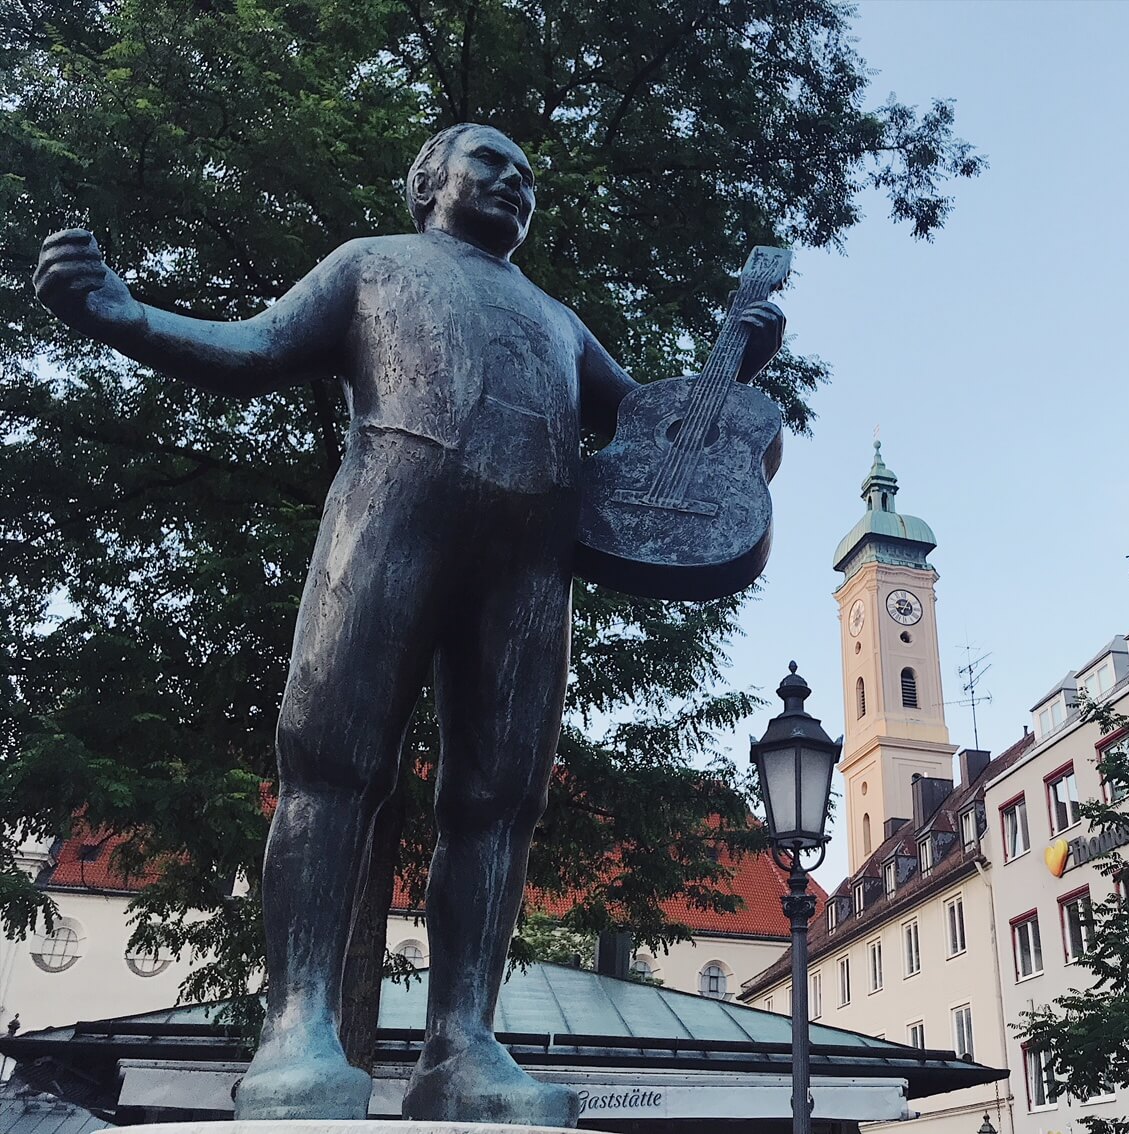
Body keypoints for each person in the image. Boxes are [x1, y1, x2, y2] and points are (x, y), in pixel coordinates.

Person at [32, 122, 784, 1126]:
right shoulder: (372, 266)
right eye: (492, 164)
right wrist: (118, 312)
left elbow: (653, 423)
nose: (515, 184)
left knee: (499, 802)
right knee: (331, 766)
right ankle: (298, 1020)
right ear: (427, 181)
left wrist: (733, 368)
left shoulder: (556, 321)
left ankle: (461, 1042)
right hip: (390, 521)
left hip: (529, 567)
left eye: (528, 176)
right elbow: (253, 351)